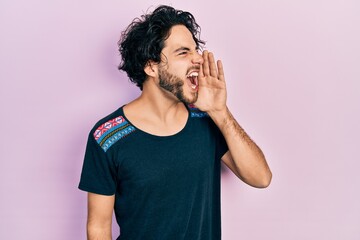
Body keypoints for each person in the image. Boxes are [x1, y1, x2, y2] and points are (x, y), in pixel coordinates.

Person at [78, 5, 272, 240]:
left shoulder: (206, 119)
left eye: (196, 50)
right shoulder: (107, 137)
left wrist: (220, 112)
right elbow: (98, 228)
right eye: (183, 52)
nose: (198, 59)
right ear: (151, 66)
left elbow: (261, 178)